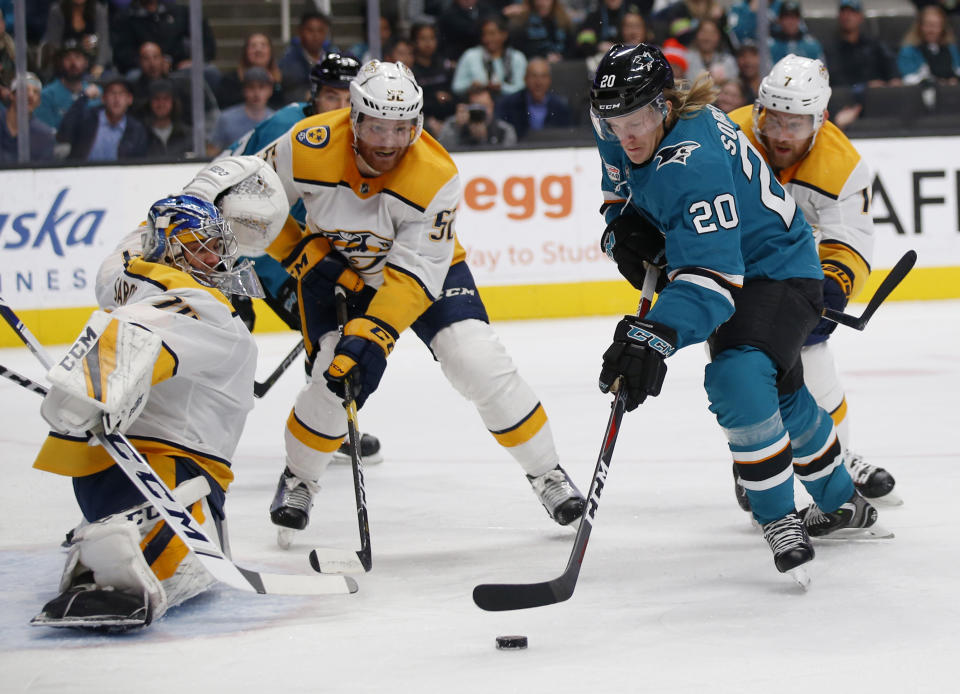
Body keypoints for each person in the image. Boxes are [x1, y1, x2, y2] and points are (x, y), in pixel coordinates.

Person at [252, 60, 584, 544]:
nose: (389, 142)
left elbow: (412, 278)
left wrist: (373, 335)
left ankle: (547, 472)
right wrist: (301, 253)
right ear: (355, 120)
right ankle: (299, 478)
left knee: (477, 360)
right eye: (378, 127)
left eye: (402, 128)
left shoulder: (436, 175)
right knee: (332, 377)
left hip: (426, 274)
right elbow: (250, 197)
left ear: (419, 124)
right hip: (337, 273)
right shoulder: (306, 144)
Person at [589, 43, 882, 581]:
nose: (623, 136)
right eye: (611, 123)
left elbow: (713, 284)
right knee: (788, 396)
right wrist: (621, 228)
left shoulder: (692, 161)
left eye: (635, 122)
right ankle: (844, 503)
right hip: (736, 261)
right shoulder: (620, 127)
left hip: (777, 269)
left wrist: (655, 335)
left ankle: (779, 518)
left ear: (663, 108)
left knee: (738, 377)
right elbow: (619, 195)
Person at [31, 193, 264, 630]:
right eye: (202, 245)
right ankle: (112, 567)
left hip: (106, 471)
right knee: (187, 557)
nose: (216, 256)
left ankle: (109, 528)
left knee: (121, 521)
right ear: (172, 250)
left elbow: (119, 281)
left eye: (216, 244)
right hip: (170, 474)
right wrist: (91, 388)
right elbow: (142, 333)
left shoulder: (124, 273)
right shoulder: (205, 307)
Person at [727, 54, 898, 507]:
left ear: (819, 120)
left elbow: (849, 240)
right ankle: (756, 462)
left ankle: (838, 458)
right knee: (742, 369)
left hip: (791, 271)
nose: (782, 136)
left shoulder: (840, 164)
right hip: (732, 270)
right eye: (774, 120)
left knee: (814, 359)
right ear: (760, 109)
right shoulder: (727, 136)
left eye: (796, 125)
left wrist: (832, 289)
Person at [220, 54, 383, 468]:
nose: (341, 106)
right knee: (241, 335)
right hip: (241, 246)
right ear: (314, 94)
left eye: (348, 97)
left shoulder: (347, 132)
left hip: (272, 244)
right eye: (332, 96)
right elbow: (242, 198)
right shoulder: (290, 129)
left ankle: (324, 424)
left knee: (328, 327)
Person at [57, 73, 148, 161]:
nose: (117, 99)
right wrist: (84, 96)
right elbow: (64, 132)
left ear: (130, 99)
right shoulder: (87, 119)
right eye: (112, 93)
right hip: (84, 174)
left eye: (121, 94)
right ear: (103, 98)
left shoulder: (136, 129)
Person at [823, 0, 900, 88]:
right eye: (844, 12)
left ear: (861, 17)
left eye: (853, 12)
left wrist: (894, 78)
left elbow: (890, 64)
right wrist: (865, 86)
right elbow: (835, 80)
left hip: (878, 95)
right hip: (847, 98)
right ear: (839, 16)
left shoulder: (874, 44)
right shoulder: (831, 49)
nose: (847, 16)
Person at [495, 57, 572, 138]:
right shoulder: (507, 105)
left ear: (550, 80)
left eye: (543, 76)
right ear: (525, 79)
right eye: (534, 76)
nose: (539, 82)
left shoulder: (561, 107)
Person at [451, 16, 528, 98]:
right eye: (484, 34)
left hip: (511, 105)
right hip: (479, 102)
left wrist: (502, 88)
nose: (488, 39)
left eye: (492, 34)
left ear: (504, 35)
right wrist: (470, 86)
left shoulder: (517, 58)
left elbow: (522, 88)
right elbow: (456, 87)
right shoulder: (470, 56)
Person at [34, 39, 102, 131]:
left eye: (77, 57)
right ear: (60, 63)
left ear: (86, 62)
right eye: (67, 58)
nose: (73, 63)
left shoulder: (97, 93)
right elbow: (47, 135)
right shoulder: (46, 95)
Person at [208, 67, 275, 156]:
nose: (256, 93)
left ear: (270, 90)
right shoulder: (226, 119)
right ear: (244, 90)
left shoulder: (275, 120)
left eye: (261, 87)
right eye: (251, 87)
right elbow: (211, 152)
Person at [216, 32, 286, 111]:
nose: (258, 50)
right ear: (245, 52)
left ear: (270, 51)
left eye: (263, 45)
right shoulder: (230, 81)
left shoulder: (283, 80)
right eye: (253, 46)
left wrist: (274, 86)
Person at [0, 72, 57, 164]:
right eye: (25, 89)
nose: (30, 95)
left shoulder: (44, 135)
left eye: (36, 92)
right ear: (12, 95)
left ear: (39, 102)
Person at [897, 4, 960, 84]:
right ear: (920, 26)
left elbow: (957, 69)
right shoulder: (909, 50)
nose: (932, 30)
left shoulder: (950, 49)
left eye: (936, 25)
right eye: (928, 25)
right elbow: (908, 77)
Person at [439, 84, 518, 148]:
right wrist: (457, 128)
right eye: (476, 107)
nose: (481, 112)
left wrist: (486, 139)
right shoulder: (453, 124)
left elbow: (507, 158)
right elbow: (442, 151)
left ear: (492, 106)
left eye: (485, 106)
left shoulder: (504, 130)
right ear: (468, 107)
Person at [279, 11, 333, 103]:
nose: (315, 35)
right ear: (300, 32)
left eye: (320, 31)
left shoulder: (333, 58)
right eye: (310, 30)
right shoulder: (287, 62)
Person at [143, 78, 192, 159]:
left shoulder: (186, 134)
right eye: (156, 99)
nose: (161, 103)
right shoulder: (140, 134)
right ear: (149, 102)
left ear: (173, 102)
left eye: (166, 99)